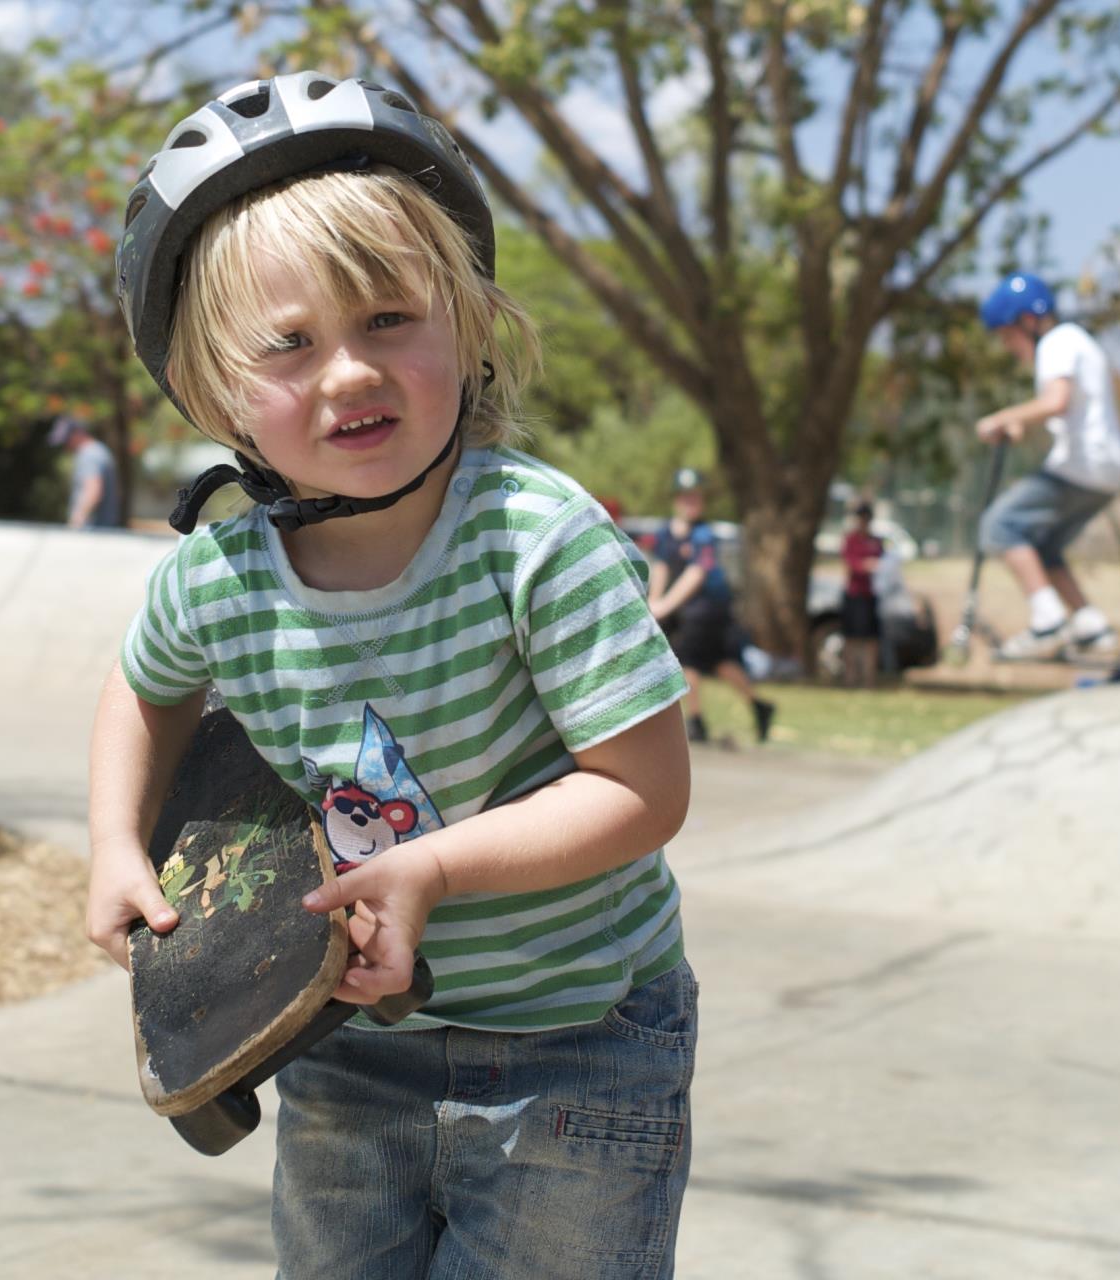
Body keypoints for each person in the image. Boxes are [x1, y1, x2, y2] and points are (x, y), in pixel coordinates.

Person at [85, 72, 696, 1278]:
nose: (349, 373)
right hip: (350, 1042)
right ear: (216, 392)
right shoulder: (218, 580)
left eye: (386, 321)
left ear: (464, 325)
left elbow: (643, 789)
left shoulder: (537, 540)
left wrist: (435, 867)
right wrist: (116, 839)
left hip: (575, 1038)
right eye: (290, 345)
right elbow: (144, 687)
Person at [972, 272, 1120, 661]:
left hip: (1082, 466)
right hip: (1106, 473)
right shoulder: (1079, 342)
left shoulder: (1057, 343)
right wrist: (1020, 423)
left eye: (1008, 336)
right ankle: (1090, 624)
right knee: (1044, 547)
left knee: (999, 525)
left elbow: (1056, 400)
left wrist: (1000, 418)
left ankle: (1047, 620)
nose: (1008, 347)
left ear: (1028, 320)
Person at [647, 467, 776, 742]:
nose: (691, 502)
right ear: (676, 500)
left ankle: (696, 721)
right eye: (686, 497)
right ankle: (759, 705)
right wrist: (652, 602)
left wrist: (664, 606)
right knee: (720, 663)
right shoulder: (665, 533)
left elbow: (697, 573)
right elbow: (661, 567)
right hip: (686, 610)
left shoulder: (704, 535)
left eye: (696, 497)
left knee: (686, 659)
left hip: (706, 610)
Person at [49, 413, 122, 529]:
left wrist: (75, 523)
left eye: (66, 440)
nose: (65, 446)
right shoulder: (98, 451)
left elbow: (93, 491)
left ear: (78, 433)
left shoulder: (90, 455)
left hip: (92, 536)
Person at [839, 500, 884, 686]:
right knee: (852, 637)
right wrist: (867, 565)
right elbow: (851, 565)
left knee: (871, 638)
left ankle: (869, 678)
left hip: (871, 594)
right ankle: (851, 677)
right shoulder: (851, 540)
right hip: (854, 594)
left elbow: (885, 565)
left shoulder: (876, 541)